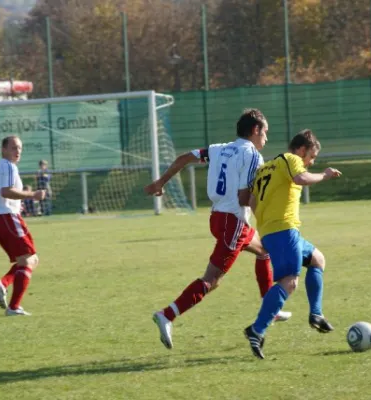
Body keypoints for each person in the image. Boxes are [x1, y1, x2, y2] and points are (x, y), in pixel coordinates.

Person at [145, 108, 292, 350]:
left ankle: (270, 309)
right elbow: (245, 197)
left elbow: (184, 158)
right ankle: (166, 315)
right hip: (234, 224)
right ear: (255, 130)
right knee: (211, 281)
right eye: (265, 132)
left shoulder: (219, 149)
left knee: (265, 250)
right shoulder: (253, 156)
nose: (266, 138)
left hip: (218, 219)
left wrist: (161, 182)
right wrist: (266, 219)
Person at [243, 129, 342, 359]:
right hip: (283, 230)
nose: (311, 162)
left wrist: (265, 228)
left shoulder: (264, 168)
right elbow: (301, 178)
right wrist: (325, 175)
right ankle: (256, 330)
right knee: (289, 282)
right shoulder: (291, 159)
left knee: (318, 258)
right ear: (301, 149)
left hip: (275, 231)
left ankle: (316, 314)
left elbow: (251, 201)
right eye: (312, 156)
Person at [0, 136, 46, 316]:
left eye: (20, 148)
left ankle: (4, 283)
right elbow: (6, 191)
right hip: (7, 218)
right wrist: (32, 195)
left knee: (32, 259)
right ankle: (14, 307)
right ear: (3, 150)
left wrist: (1, 205)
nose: (18, 152)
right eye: (14, 148)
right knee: (28, 259)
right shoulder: (8, 166)